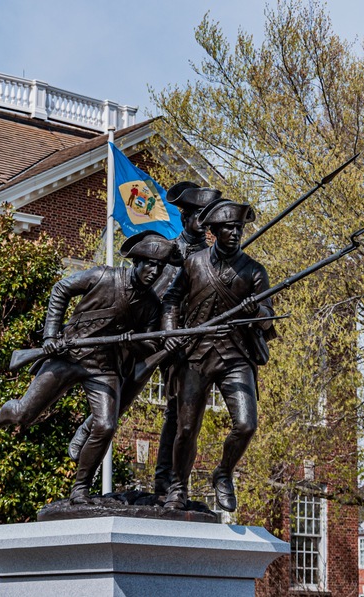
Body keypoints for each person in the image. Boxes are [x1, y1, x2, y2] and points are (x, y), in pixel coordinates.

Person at [0, 231, 182, 504]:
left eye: (160, 267)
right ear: (136, 261)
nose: (154, 271)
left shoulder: (151, 306)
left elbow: (146, 345)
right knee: (24, 414)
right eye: (150, 264)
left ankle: (80, 488)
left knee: (105, 425)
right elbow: (60, 289)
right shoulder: (103, 276)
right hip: (68, 356)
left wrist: (137, 342)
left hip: (104, 367)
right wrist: (51, 336)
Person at [67, 182, 223, 496]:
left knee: (179, 414)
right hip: (149, 332)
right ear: (187, 216)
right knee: (121, 398)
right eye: (200, 216)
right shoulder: (165, 250)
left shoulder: (212, 258)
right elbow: (153, 291)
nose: (206, 224)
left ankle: (166, 482)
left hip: (184, 341)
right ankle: (85, 452)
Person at [161, 199, 274, 512]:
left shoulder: (254, 271)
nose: (235, 233)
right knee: (185, 428)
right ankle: (178, 486)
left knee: (247, 423)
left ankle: (223, 473)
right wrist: (171, 333)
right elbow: (171, 301)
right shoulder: (193, 263)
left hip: (235, 354)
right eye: (228, 228)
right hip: (195, 353)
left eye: (238, 228)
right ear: (213, 231)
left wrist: (256, 312)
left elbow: (268, 319)